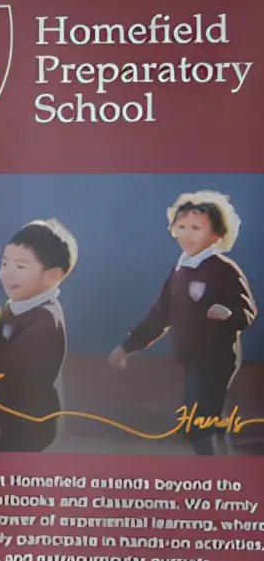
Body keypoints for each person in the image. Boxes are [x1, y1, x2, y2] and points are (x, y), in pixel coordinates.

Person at [109, 189, 253, 455]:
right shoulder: (180, 271)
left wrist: (227, 313)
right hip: (192, 358)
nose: (186, 233)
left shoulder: (223, 269)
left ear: (217, 234)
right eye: (182, 226)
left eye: (196, 228)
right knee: (208, 417)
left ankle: (211, 476)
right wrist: (127, 347)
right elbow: (160, 316)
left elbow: (246, 310)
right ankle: (225, 466)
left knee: (196, 421)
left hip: (217, 359)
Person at [0, 219, 79, 451]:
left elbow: (10, 367)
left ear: (52, 276)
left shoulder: (46, 319)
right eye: (5, 263)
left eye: (20, 267)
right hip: (13, 419)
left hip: (32, 423)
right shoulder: (15, 307)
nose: (8, 273)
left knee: (10, 473)